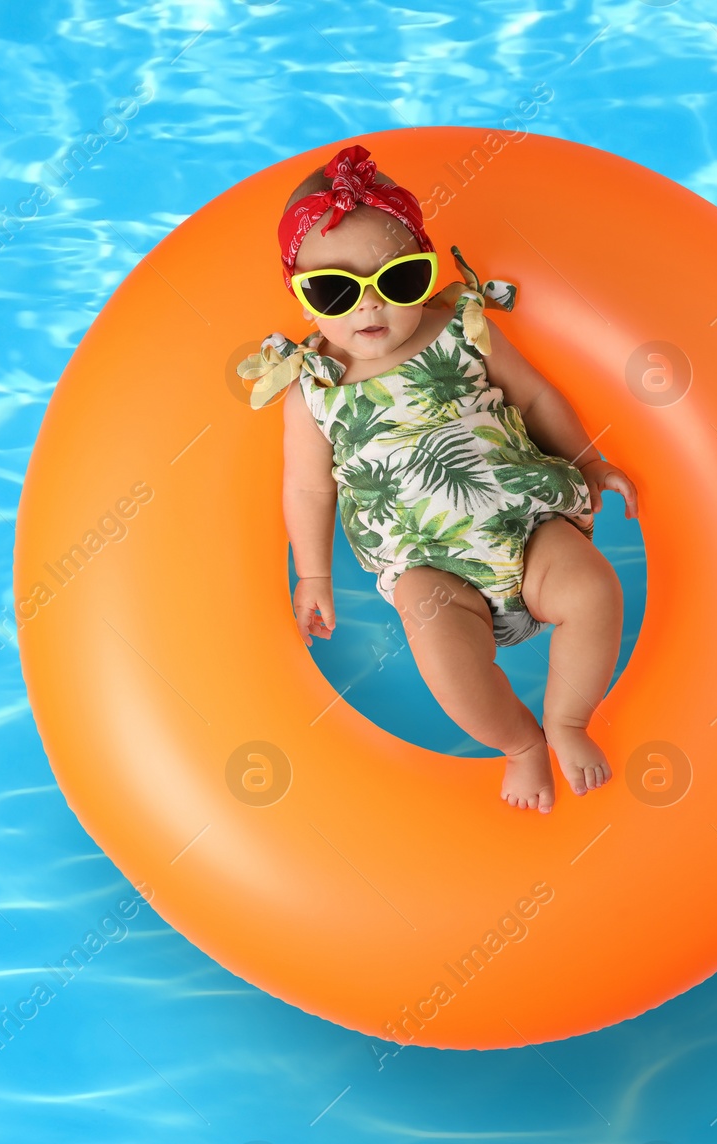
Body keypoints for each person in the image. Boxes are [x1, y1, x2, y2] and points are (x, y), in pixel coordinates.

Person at [239, 144, 639, 813]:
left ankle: (568, 718)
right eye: (335, 290)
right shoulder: (311, 387)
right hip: (431, 570)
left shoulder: (462, 325)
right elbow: (309, 487)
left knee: (594, 588)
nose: (369, 307)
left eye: (396, 280)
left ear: (425, 271)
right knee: (445, 661)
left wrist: (590, 462)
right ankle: (520, 742)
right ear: (302, 300)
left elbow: (535, 399)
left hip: (528, 523)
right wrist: (313, 575)